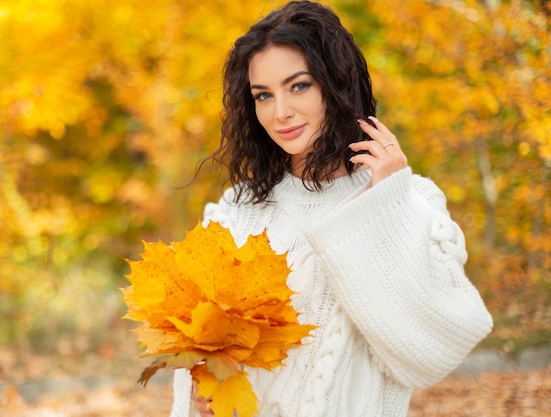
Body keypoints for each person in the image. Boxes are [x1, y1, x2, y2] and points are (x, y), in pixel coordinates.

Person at [170, 1, 493, 416]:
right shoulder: (237, 210)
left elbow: (433, 352)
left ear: (335, 85)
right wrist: (204, 395)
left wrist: (387, 203)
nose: (280, 111)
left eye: (299, 86)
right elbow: (202, 366)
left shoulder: (411, 200)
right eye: (263, 95)